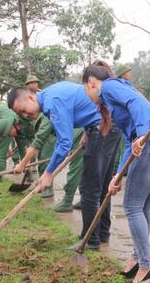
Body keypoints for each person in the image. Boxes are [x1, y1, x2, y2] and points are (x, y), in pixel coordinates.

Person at [82, 61, 150, 283]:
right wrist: (117, 175)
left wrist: (142, 134)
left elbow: (136, 106)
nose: (88, 95)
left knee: (132, 206)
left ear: (91, 83)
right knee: (141, 205)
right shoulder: (113, 96)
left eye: (85, 89)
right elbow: (129, 141)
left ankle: (146, 264)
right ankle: (137, 258)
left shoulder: (109, 87)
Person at [8, 81, 118, 250]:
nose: (25, 116)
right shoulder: (51, 94)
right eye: (20, 114)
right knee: (102, 187)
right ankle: (101, 234)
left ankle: (90, 240)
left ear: (31, 97)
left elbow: (64, 143)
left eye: (23, 110)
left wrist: (48, 173)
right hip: (109, 125)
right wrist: (87, 131)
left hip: (103, 127)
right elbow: (84, 107)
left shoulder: (52, 102)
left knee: (89, 188)